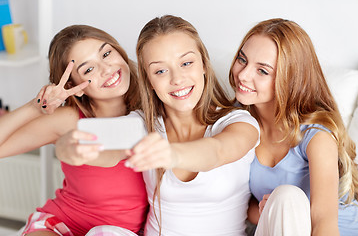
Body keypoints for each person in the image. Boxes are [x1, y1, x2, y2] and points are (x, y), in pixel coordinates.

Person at [56, 15, 260, 236]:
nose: (177, 79)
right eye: (160, 71)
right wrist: (67, 147)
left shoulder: (239, 121)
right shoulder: (144, 125)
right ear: (150, 82)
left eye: (186, 63)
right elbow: (98, 145)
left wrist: (171, 155)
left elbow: (217, 152)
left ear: (203, 63)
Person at [0, 25, 148, 235]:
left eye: (106, 53)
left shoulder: (153, 107)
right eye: (89, 69)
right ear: (73, 85)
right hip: (62, 224)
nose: (106, 69)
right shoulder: (70, 120)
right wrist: (36, 106)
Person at [229, 18, 358, 236]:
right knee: (284, 198)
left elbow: (324, 222)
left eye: (262, 71)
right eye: (242, 60)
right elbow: (245, 206)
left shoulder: (316, 136)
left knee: (288, 195)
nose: (243, 75)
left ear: (290, 79)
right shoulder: (237, 121)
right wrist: (273, 211)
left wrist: (286, 207)